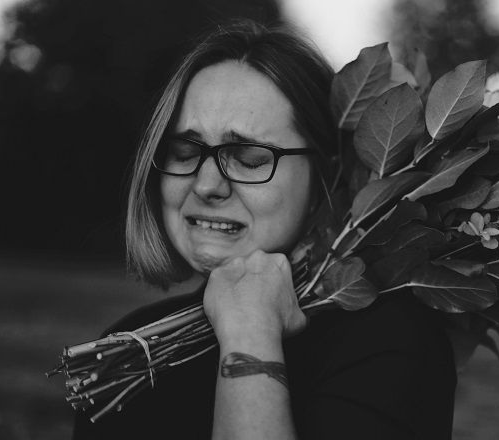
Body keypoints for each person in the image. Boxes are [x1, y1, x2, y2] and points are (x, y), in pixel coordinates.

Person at [73, 19, 456, 440]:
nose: (205, 185)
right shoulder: (125, 350)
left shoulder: (390, 344)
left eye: (249, 158)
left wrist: (250, 332)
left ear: (324, 178)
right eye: (184, 150)